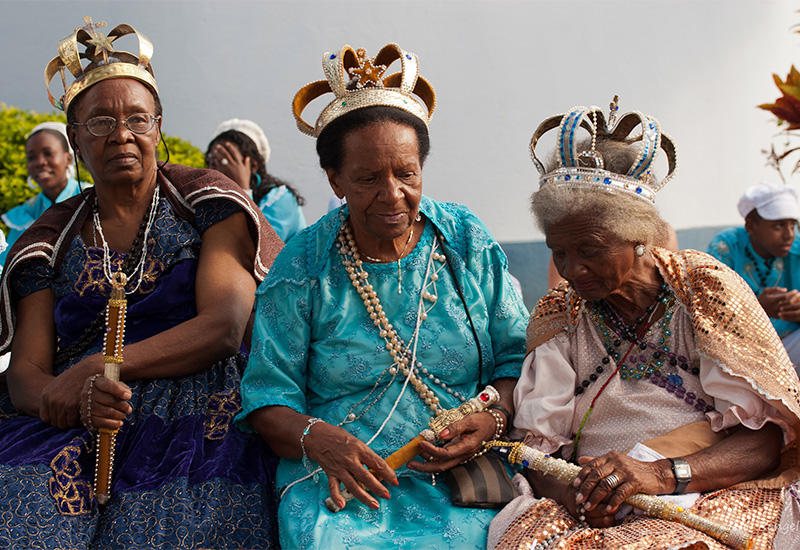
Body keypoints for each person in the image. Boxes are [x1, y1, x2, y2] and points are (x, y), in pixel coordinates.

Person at [0, 18, 283, 549]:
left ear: (158, 127)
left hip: (203, 399)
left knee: (179, 526)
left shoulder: (206, 202)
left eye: (138, 119)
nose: (122, 135)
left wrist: (101, 366)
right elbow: (27, 375)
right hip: (84, 411)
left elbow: (225, 325)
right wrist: (67, 399)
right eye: (101, 122)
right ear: (76, 141)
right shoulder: (46, 240)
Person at [235, 44, 529, 549]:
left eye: (407, 173)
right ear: (335, 179)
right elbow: (268, 398)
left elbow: (518, 355)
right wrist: (319, 440)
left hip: (469, 474)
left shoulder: (463, 238)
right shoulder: (303, 265)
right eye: (368, 179)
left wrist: (493, 417)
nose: (392, 194)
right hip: (340, 482)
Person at [489, 103, 800, 549]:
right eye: (559, 252)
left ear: (638, 237)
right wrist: (579, 496)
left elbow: (766, 439)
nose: (573, 270)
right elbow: (538, 456)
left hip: (706, 491)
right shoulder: (560, 313)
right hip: (593, 500)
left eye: (590, 250)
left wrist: (659, 474)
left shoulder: (701, 290)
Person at [707, 182, 800, 367]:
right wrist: (758, 311)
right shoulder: (726, 248)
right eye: (779, 225)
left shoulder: (796, 249)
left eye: (792, 225)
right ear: (751, 227)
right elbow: (709, 314)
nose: (789, 234)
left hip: (790, 348)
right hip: (741, 354)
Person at [206, 118, 306, 242]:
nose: (217, 171)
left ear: (253, 166)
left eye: (226, 161)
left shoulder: (281, 198)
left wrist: (242, 189)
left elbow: (261, 248)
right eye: (213, 162)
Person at [0, 121, 82, 267]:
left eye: (48, 153)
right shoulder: (26, 213)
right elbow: (7, 265)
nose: (40, 162)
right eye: (31, 157)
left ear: (68, 158)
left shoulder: (90, 199)